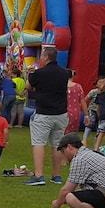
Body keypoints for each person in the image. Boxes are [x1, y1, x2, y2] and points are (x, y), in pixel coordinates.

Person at [25, 46, 70, 186]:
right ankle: (56, 175)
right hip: (61, 113)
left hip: (44, 113)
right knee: (57, 145)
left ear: (45, 57)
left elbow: (28, 87)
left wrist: (30, 74)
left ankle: (39, 175)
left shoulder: (40, 73)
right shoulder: (64, 73)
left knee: (38, 143)